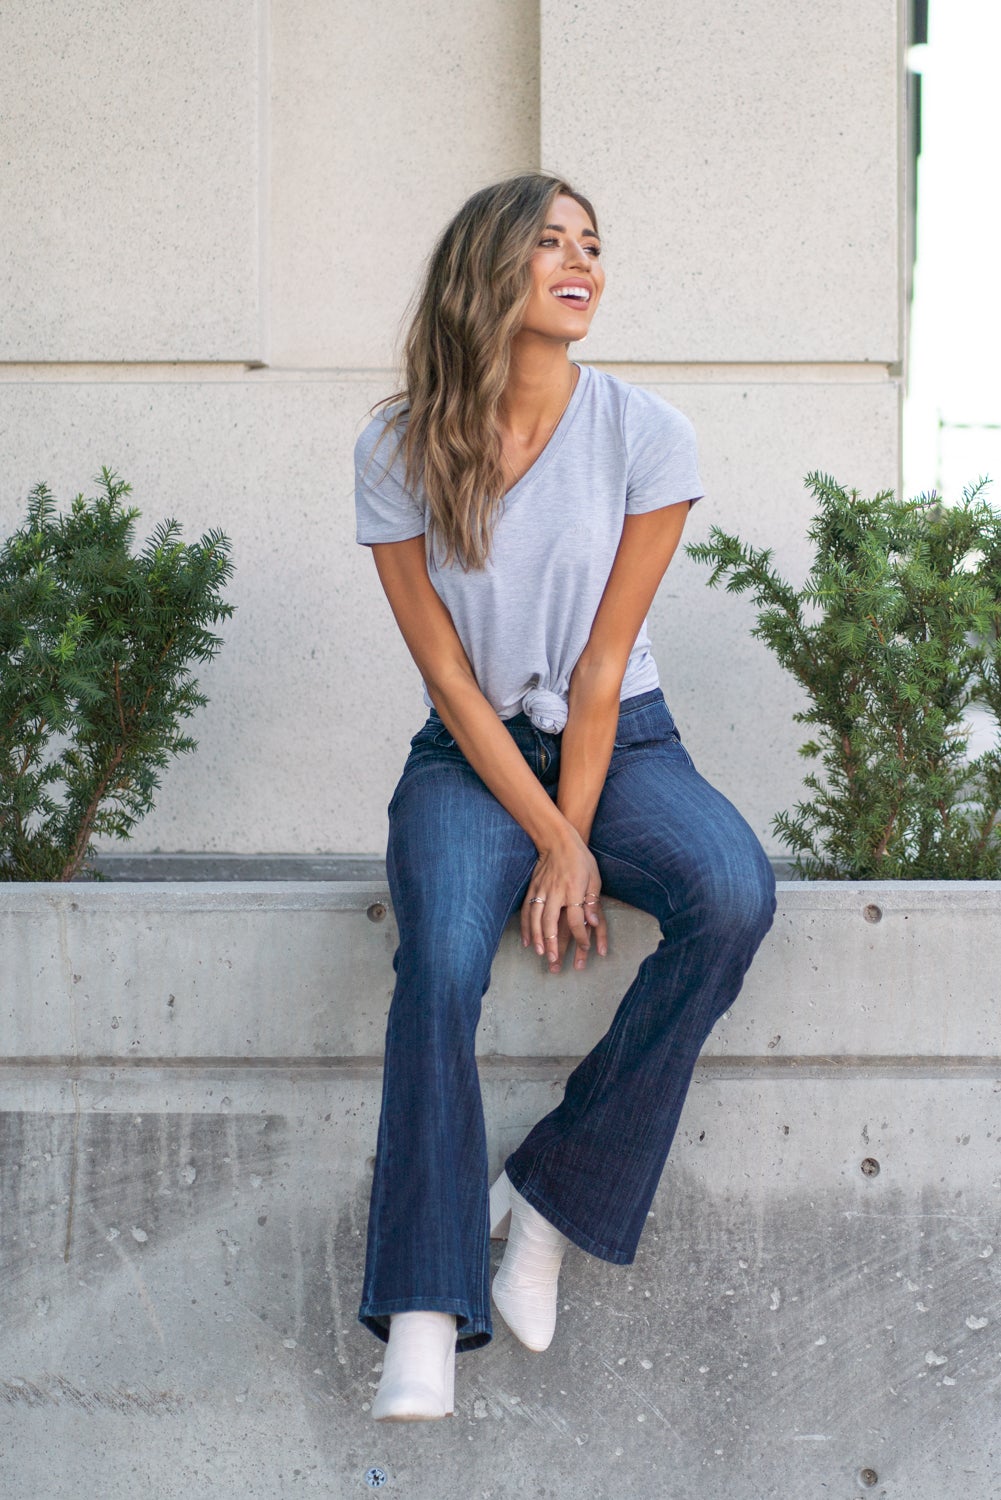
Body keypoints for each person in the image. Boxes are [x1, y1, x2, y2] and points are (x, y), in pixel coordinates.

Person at [353, 172, 776, 1422]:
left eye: (590, 243)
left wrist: (570, 838)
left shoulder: (645, 433)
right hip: (467, 753)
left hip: (621, 739)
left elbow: (600, 665)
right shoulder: (396, 446)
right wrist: (550, 838)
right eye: (549, 242)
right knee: (440, 957)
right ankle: (424, 1306)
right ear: (487, 267)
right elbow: (445, 673)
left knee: (731, 893)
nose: (580, 261)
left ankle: (548, 1200)